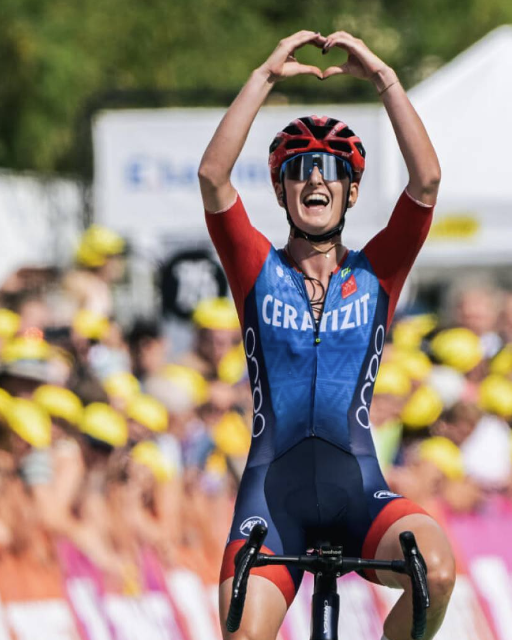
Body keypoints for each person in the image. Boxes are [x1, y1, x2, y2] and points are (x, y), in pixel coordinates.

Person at [198, 30, 454, 640]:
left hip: (357, 488)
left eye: (332, 170)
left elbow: (427, 182)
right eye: (299, 170)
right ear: (283, 191)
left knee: (436, 574)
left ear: (351, 191)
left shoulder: (376, 273)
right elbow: (212, 177)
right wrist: (264, 75)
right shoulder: (256, 268)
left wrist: (385, 78)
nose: (316, 179)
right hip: (272, 498)